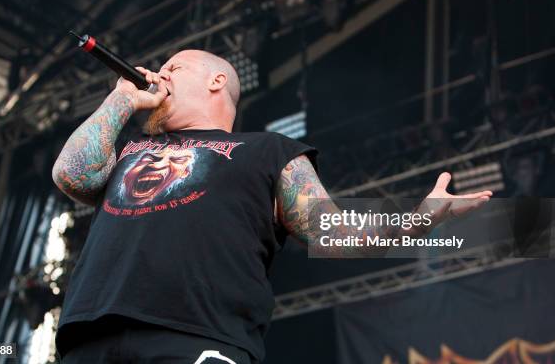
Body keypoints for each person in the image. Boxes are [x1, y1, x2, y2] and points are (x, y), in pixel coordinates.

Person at [52, 49, 492, 363]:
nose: (160, 77)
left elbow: (333, 233)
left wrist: (421, 217)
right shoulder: (130, 149)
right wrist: (121, 99)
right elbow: (71, 175)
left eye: (174, 68)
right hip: (90, 335)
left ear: (216, 80)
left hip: (196, 338)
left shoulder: (267, 150)